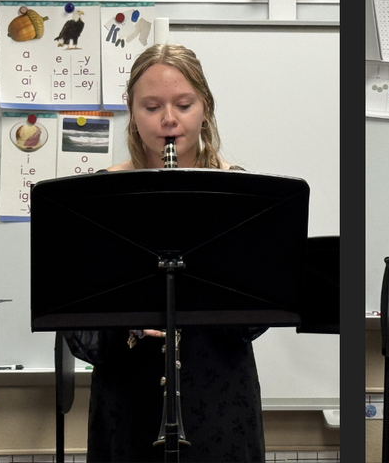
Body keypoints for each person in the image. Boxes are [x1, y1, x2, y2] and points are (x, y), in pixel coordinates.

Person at [65, 44, 265, 462]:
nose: (169, 120)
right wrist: (124, 320)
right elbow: (80, 334)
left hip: (217, 397)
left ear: (205, 109)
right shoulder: (99, 196)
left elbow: (254, 319)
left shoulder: (240, 194)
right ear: (132, 113)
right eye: (152, 106)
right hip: (128, 399)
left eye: (184, 104)